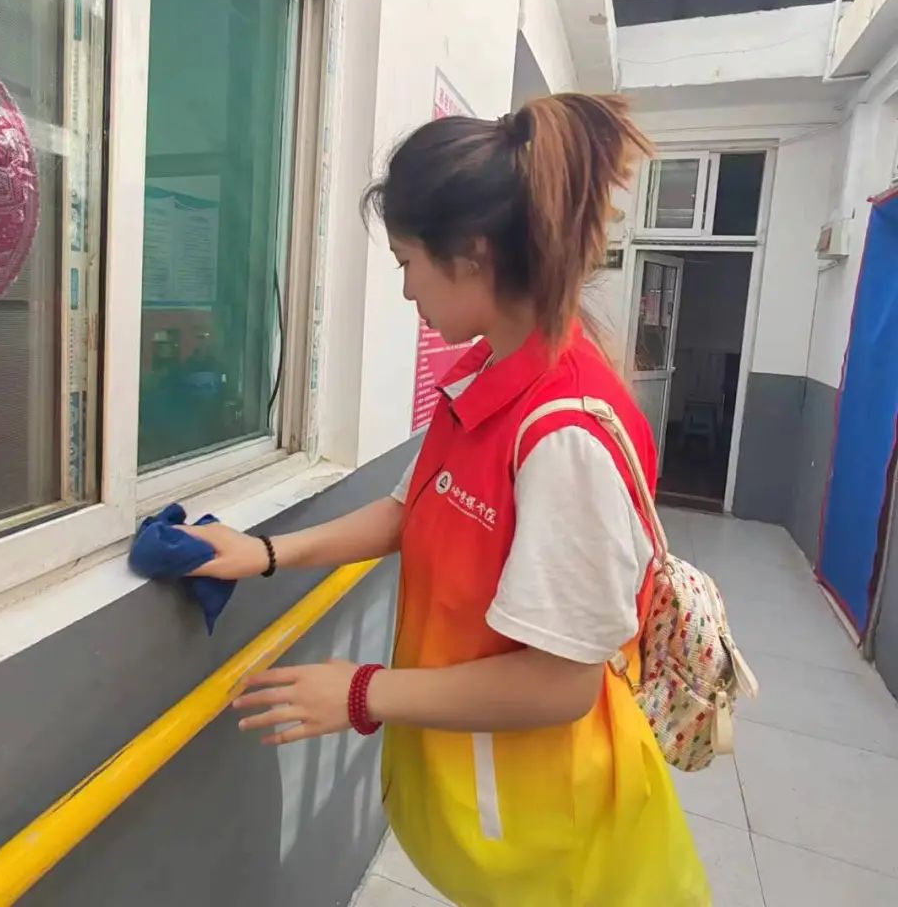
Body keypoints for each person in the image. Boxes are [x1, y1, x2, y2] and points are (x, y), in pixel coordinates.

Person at [189, 94, 709, 906]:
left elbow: (561, 684)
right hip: (505, 838)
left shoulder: (564, 436)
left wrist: (360, 692)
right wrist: (262, 553)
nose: (406, 293)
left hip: (571, 851)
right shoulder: (486, 379)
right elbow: (410, 512)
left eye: (407, 262)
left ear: (471, 253)